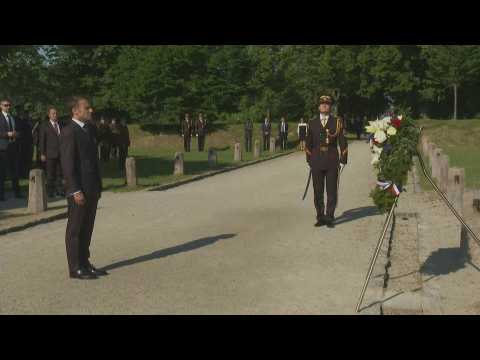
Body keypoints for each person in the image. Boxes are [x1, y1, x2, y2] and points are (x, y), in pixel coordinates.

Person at [60, 96, 107, 280]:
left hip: (91, 186)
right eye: (87, 108)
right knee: (75, 229)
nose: (91, 110)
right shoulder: (69, 131)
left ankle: (85, 262)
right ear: (75, 111)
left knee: (87, 227)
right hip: (79, 189)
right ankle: (75, 267)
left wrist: (98, 185)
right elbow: (67, 164)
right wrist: (74, 189)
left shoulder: (89, 129)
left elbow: (92, 161)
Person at [306, 95, 348, 229]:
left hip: (332, 160)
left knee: (331, 190)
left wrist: (343, 160)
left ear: (330, 107)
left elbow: (342, 140)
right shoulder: (311, 123)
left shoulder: (337, 122)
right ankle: (320, 216)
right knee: (317, 190)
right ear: (318, 107)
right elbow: (308, 143)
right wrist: (310, 160)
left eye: (327, 104)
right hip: (317, 160)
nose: (324, 106)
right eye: (322, 104)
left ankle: (330, 216)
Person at [0, 99, 23, 201]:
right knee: (2, 172)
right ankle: (1, 195)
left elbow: (17, 130)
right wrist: (7, 134)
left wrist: (16, 134)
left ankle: (17, 192)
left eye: (9, 105)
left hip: (13, 147)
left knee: (15, 171)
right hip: (3, 148)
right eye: (5, 105)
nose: (8, 107)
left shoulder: (13, 118)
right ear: (1, 106)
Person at [40, 107, 65, 198]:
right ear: (49, 115)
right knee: (50, 174)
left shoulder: (61, 125)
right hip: (50, 153)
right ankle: (50, 191)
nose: (55, 115)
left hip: (60, 153)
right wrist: (42, 153)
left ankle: (60, 190)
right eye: (53, 113)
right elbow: (42, 140)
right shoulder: (45, 126)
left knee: (60, 173)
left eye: (56, 113)